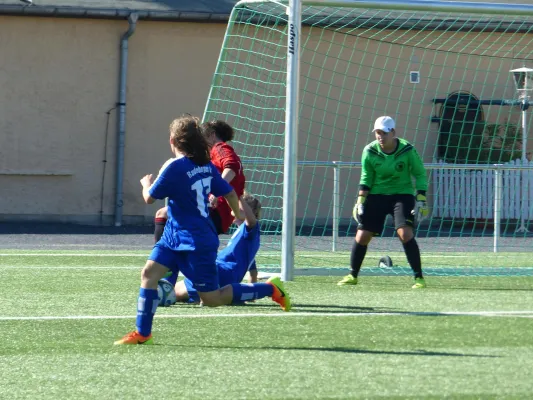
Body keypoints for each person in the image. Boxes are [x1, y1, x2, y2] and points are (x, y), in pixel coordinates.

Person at [115, 116, 289, 345]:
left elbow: (149, 199)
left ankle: (269, 289)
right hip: (174, 236)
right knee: (148, 274)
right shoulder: (205, 166)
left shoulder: (174, 166)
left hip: (197, 241)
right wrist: (237, 214)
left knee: (212, 299)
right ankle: (143, 332)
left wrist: (145, 183)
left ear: (172, 141)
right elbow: (229, 192)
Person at [337, 116, 429, 289]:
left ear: (393, 132)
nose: (380, 136)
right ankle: (352, 275)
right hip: (377, 195)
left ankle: (419, 278)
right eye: (378, 133)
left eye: (384, 133)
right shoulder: (369, 151)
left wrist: (421, 199)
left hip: (401, 195)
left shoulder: (407, 150)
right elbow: (366, 176)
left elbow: (420, 174)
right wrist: (360, 201)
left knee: (405, 233)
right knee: (362, 236)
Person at [153, 119, 245, 242]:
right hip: (220, 212)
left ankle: (162, 253)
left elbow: (231, 166)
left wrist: (216, 194)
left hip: (217, 210)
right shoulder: (210, 157)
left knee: (163, 214)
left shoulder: (220, 148)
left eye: (203, 137)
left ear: (212, 135)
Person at [172, 191, 262, 304]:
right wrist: (251, 295)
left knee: (170, 293)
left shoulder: (250, 229)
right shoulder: (245, 236)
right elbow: (253, 271)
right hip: (220, 273)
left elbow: (252, 221)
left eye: (237, 202)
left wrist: (238, 196)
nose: (232, 203)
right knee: (172, 290)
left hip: (221, 273)